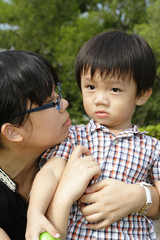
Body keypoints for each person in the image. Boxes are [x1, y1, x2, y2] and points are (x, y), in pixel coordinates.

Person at [26, 30, 160, 240]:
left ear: (141, 94)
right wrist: (34, 212)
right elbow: (50, 173)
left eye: (114, 89)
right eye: (90, 87)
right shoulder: (73, 137)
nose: (100, 99)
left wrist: (139, 196)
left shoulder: (152, 147)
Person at [0, 50, 101, 240]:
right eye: (51, 102)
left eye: (58, 93)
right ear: (13, 131)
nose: (64, 103)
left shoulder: (74, 146)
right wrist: (62, 200)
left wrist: (142, 197)